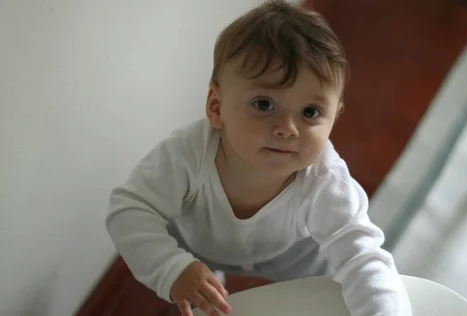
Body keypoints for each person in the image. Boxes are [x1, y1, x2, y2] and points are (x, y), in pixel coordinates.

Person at [105, 1, 412, 315]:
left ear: (335, 118)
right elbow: (129, 210)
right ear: (216, 107)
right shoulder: (186, 155)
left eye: (310, 112)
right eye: (264, 104)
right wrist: (172, 268)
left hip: (296, 260)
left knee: (321, 303)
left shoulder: (325, 180)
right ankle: (206, 282)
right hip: (200, 248)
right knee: (205, 297)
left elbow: (363, 259)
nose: (287, 128)